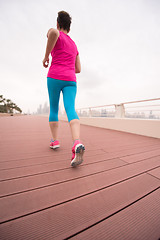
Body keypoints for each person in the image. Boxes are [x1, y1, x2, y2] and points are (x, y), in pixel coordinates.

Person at [42, 11, 85, 167]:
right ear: (70, 28)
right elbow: (78, 69)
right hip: (70, 80)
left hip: (54, 76)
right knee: (70, 109)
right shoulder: (74, 45)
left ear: (58, 23)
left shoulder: (56, 32)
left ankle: (54, 141)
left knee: (53, 108)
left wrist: (46, 56)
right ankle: (76, 143)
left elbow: (53, 33)